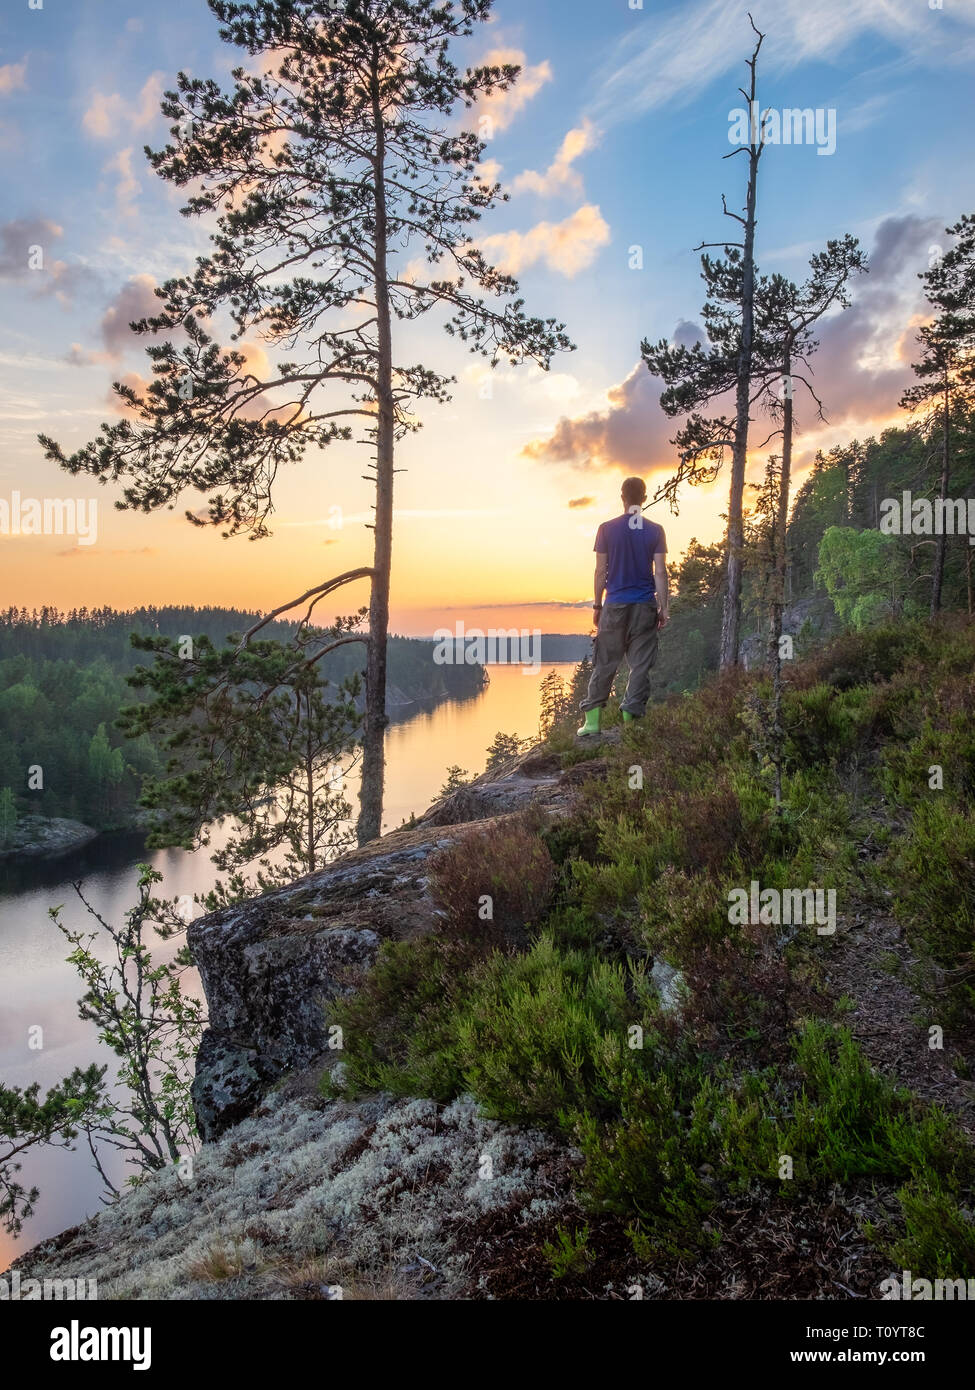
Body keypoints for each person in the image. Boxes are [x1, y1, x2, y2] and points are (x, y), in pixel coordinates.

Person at [577, 476, 669, 735]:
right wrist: (664, 608)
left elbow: (600, 572)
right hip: (644, 605)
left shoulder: (606, 529)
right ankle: (631, 716)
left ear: (622, 497)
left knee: (605, 662)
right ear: (645, 498)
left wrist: (597, 606)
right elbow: (660, 573)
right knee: (640, 664)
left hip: (615, 604)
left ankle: (592, 722)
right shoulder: (655, 530)